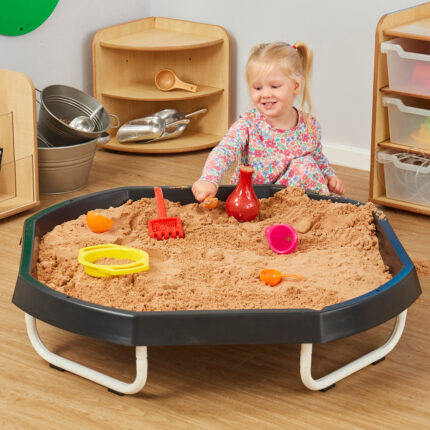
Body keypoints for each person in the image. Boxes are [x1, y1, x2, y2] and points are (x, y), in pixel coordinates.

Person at [192, 41, 345, 202]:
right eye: (258, 88)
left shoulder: (309, 125)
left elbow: (317, 156)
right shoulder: (248, 124)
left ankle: (322, 210)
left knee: (306, 165)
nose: (265, 94)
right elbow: (225, 150)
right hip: (252, 197)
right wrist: (209, 178)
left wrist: (329, 175)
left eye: (274, 86)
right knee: (305, 166)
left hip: (290, 199)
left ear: (296, 86)